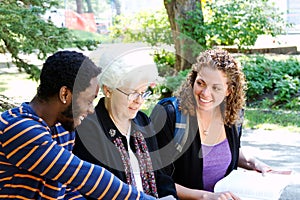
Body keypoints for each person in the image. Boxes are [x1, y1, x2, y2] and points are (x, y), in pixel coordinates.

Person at [0, 50, 168, 199]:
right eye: (88, 101)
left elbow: (68, 189)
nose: (91, 110)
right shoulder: (19, 129)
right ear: (65, 94)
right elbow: (86, 176)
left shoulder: (63, 128)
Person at [150, 49, 272, 200]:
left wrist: (254, 163)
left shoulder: (233, 115)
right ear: (193, 80)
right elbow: (156, 179)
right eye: (201, 83)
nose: (205, 93)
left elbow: (226, 150)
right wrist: (206, 196)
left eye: (216, 88)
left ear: (229, 91)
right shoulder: (168, 114)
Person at [73, 50, 178, 199]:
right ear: (108, 90)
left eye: (144, 92)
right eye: (133, 93)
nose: (139, 101)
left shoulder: (143, 121)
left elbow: (161, 176)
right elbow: (97, 191)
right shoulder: (89, 129)